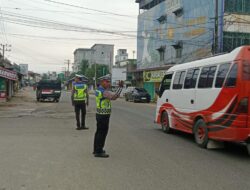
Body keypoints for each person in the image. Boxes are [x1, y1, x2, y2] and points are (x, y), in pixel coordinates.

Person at [93, 75, 121, 158]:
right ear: (102, 82)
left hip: (100, 114)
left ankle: (96, 149)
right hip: (103, 115)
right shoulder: (103, 91)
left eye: (109, 82)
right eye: (107, 82)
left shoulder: (99, 90)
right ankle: (99, 151)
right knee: (102, 133)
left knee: (98, 133)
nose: (108, 83)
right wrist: (120, 88)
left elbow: (112, 96)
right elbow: (113, 97)